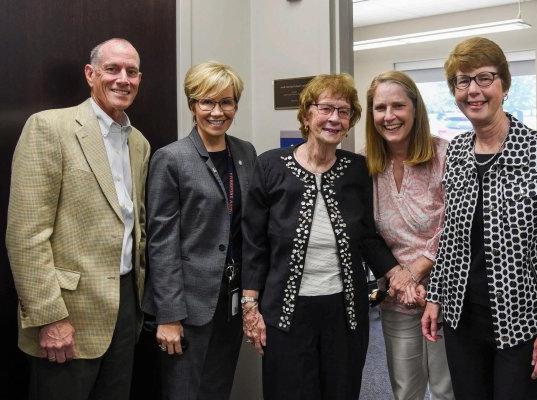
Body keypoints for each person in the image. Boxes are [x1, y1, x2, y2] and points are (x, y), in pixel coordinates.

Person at [421, 37, 537, 400]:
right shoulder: (458, 150)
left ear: (504, 86)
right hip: (462, 319)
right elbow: (451, 236)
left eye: (484, 78)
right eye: (462, 81)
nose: (473, 91)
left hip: (521, 323)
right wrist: (436, 297)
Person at [241, 73, 406, 400]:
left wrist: (399, 272)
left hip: (345, 313)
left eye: (343, 112)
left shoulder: (358, 169)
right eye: (326, 108)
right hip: (285, 313)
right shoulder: (270, 165)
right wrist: (250, 306)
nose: (334, 118)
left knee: (341, 390)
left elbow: (367, 238)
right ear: (306, 114)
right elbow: (254, 243)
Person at [5, 38, 150, 400]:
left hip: (124, 311)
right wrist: (49, 316)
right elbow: (26, 234)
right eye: (112, 69)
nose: (123, 79)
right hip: (67, 314)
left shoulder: (140, 144)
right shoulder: (49, 128)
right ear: (90, 74)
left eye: (131, 72)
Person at [142, 61, 256, 400]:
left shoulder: (246, 153)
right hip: (187, 306)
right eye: (207, 102)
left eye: (226, 102)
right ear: (192, 105)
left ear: (236, 104)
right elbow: (162, 244)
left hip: (230, 301)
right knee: (184, 392)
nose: (217, 112)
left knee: (217, 389)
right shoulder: (171, 159)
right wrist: (169, 316)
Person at [365, 71, 454, 400]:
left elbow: (457, 223)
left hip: (446, 296)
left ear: (415, 109)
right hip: (397, 298)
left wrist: (416, 270)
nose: (389, 116)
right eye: (380, 107)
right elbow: (366, 232)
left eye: (398, 106)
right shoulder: (368, 164)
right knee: (405, 390)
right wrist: (398, 278)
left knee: (447, 390)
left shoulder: (447, 156)